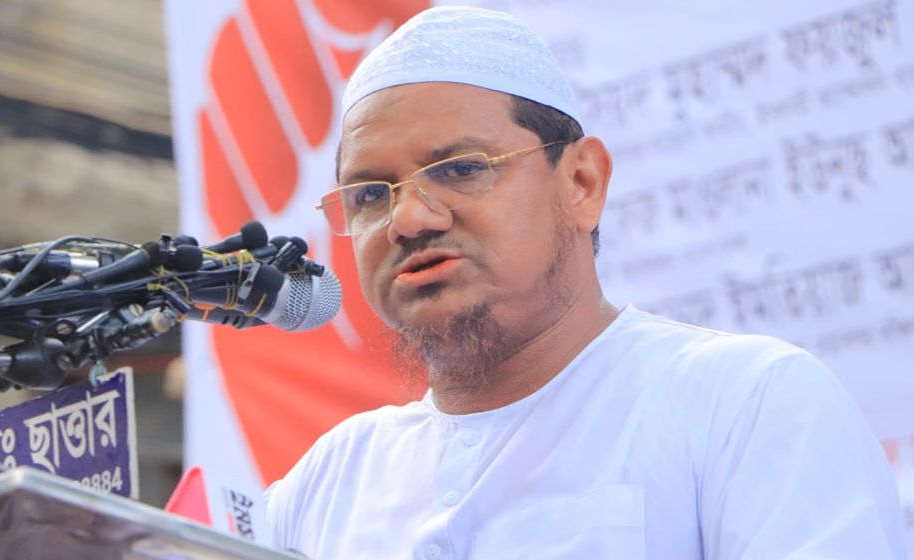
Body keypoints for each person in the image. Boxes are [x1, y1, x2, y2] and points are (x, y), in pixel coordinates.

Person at [264, 6, 905, 559]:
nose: (408, 219)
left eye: (460, 169)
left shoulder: (746, 404)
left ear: (582, 183)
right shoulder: (324, 485)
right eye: (371, 193)